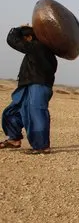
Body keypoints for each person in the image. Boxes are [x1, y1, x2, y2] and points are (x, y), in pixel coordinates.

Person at [1, 24, 58, 154]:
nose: (23, 41)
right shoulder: (37, 49)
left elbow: (12, 41)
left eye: (24, 38)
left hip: (39, 86)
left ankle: (41, 146)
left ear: (30, 37)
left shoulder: (38, 47)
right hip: (28, 85)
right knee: (12, 111)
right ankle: (13, 138)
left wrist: (18, 29)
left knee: (36, 114)